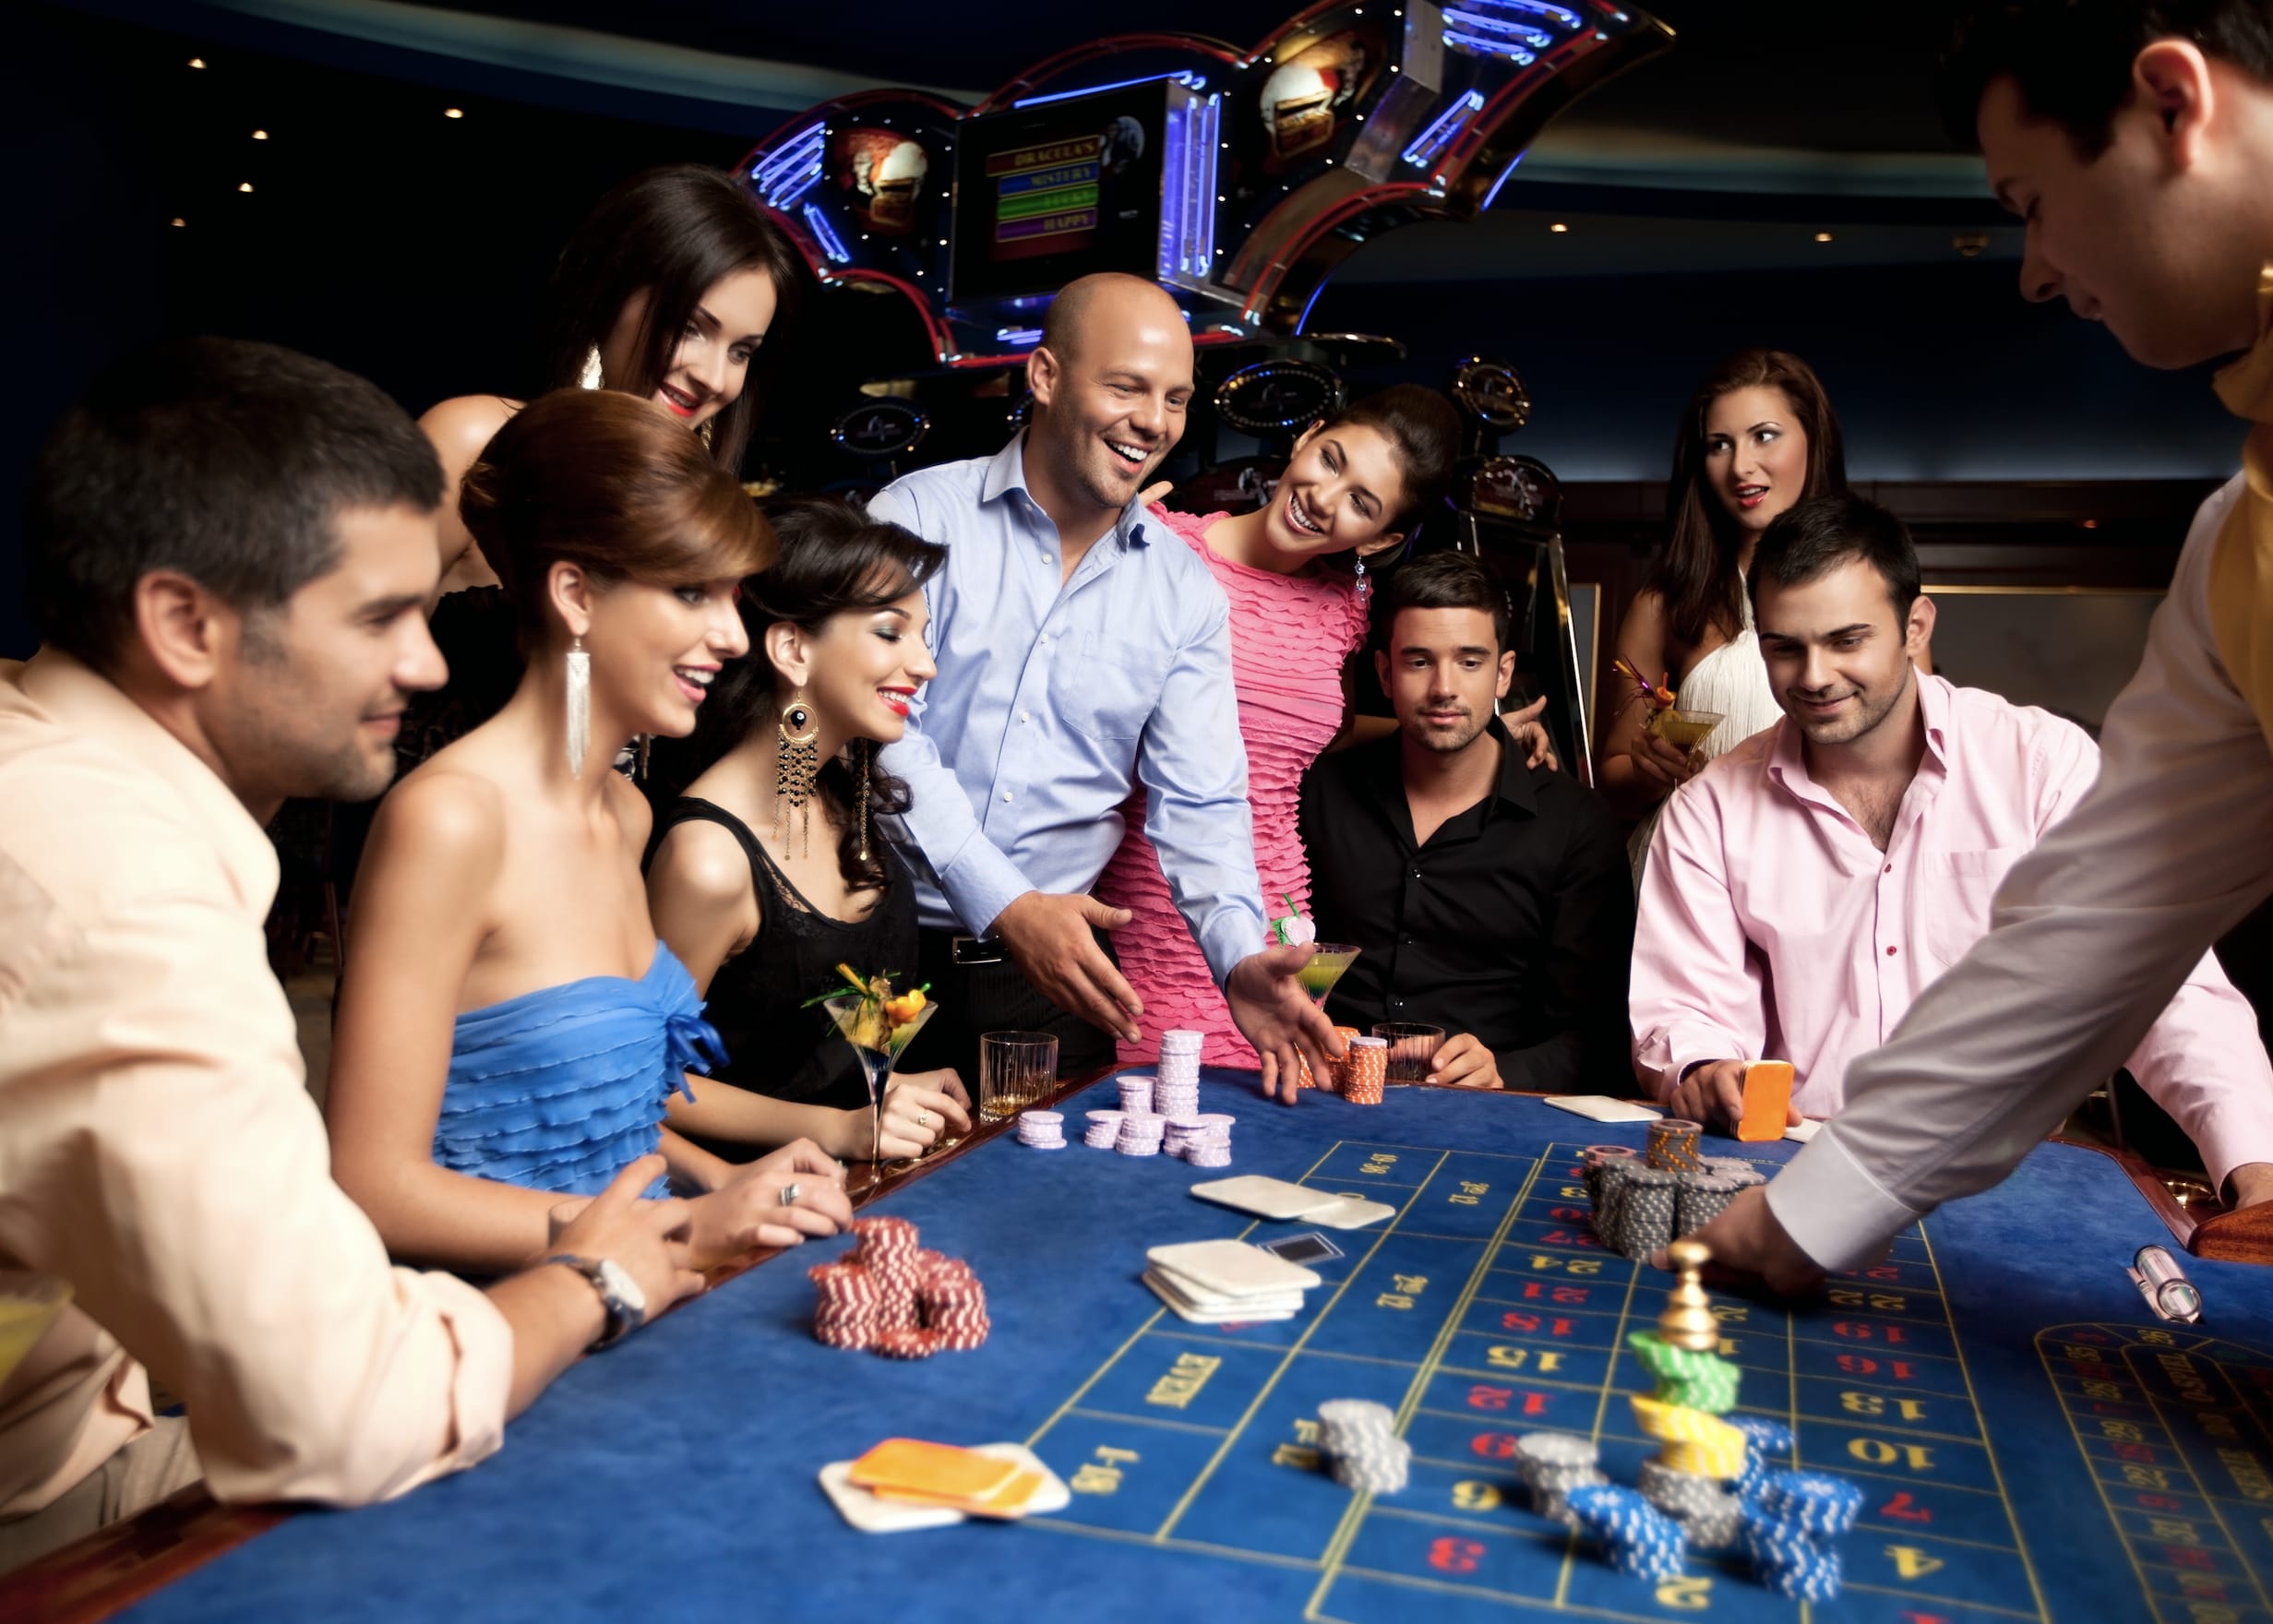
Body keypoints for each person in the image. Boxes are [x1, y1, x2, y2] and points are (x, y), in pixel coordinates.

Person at [0, 340, 707, 1574]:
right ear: (184, 624)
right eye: (380, 617)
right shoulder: (125, 895)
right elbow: (345, 1408)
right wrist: (592, 1277)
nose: (426, 663)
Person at [1693, 0, 2273, 1290]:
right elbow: (2101, 928)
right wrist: (1808, 1213)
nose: (2032, 270)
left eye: (2032, 203)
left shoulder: (2048, 738)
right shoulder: (2234, 541)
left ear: (2173, 103)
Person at [325, 389, 852, 1280]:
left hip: (641, 1295)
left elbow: (597, 1114)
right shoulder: (450, 819)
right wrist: (681, 1227)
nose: (732, 636)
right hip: (495, 1324)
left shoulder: (627, 811)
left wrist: (728, 1180)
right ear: (574, 593)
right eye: (691, 592)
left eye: (731, 597)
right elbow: (374, 1186)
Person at [1631, 495, 2273, 1194]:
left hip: (2011, 1177)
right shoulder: (1706, 811)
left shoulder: (2041, 765)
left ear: (1915, 627)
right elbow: (1688, 1012)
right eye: (1785, 647)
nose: (1813, 676)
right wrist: (1705, 1069)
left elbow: (2165, 983)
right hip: (1795, 1171)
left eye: (1846, 641)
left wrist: (2256, 1167)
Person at [867, 272, 1339, 1100]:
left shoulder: (1183, 590)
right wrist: (1007, 904)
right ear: (1045, 375)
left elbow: (1201, 801)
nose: (1154, 422)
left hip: (1056, 979)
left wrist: (1238, 956)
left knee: (1065, 1182)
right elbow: (883, 732)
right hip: (882, 956)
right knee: (865, 1173)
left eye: (1175, 399)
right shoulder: (916, 516)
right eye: (1126, 387)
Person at [1092, 386, 1460, 1069]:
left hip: (1281, 919)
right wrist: (1089, 550)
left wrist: (1474, 737)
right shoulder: (1155, 543)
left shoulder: (1347, 603)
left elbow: (1314, 733)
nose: (1324, 497)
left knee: (1269, 1113)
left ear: (1379, 539)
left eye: (1361, 503)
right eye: (1331, 460)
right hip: (1149, 908)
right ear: (1305, 437)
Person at [645, 497, 973, 1162]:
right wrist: (838, 1128)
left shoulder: (837, 796)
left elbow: (828, 1014)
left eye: (923, 636)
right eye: (891, 634)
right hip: (747, 1196)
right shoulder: (707, 859)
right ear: (793, 649)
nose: (925, 665)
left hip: (849, 1182)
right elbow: (647, 1083)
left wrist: (886, 1083)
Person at [1300, 551, 1635, 1092]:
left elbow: (1599, 1037)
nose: (1444, 688)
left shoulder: (1576, 827)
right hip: (1323, 1092)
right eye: (1418, 662)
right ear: (1385, 673)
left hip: (1490, 1111)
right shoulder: (1320, 795)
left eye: (1470, 662)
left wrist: (1504, 1071)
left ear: (1503, 673)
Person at [1595, 350, 1850, 878]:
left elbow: (1914, 745)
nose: (1740, 467)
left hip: (1824, 867)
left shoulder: (1867, 588)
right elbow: (1613, 779)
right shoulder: (1666, 601)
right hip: (1692, 868)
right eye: (1720, 445)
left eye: (1765, 435)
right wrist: (1649, 769)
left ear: (1813, 440)